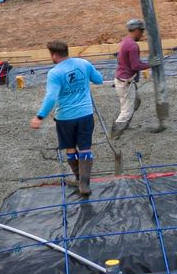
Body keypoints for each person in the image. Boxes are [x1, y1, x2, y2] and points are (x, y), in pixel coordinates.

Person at [30, 40, 105, 197]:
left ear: (54, 55)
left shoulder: (55, 73)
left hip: (65, 118)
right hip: (85, 114)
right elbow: (99, 80)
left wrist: (40, 116)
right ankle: (84, 184)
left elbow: (51, 97)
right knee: (85, 147)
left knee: (70, 147)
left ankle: (78, 178)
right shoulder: (84, 64)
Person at [112, 18, 149, 134]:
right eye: (141, 31)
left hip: (122, 79)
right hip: (125, 82)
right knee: (126, 112)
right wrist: (151, 64)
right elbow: (135, 66)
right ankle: (115, 134)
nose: (142, 34)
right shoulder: (133, 46)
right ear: (136, 30)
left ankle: (125, 125)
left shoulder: (125, 41)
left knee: (136, 101)